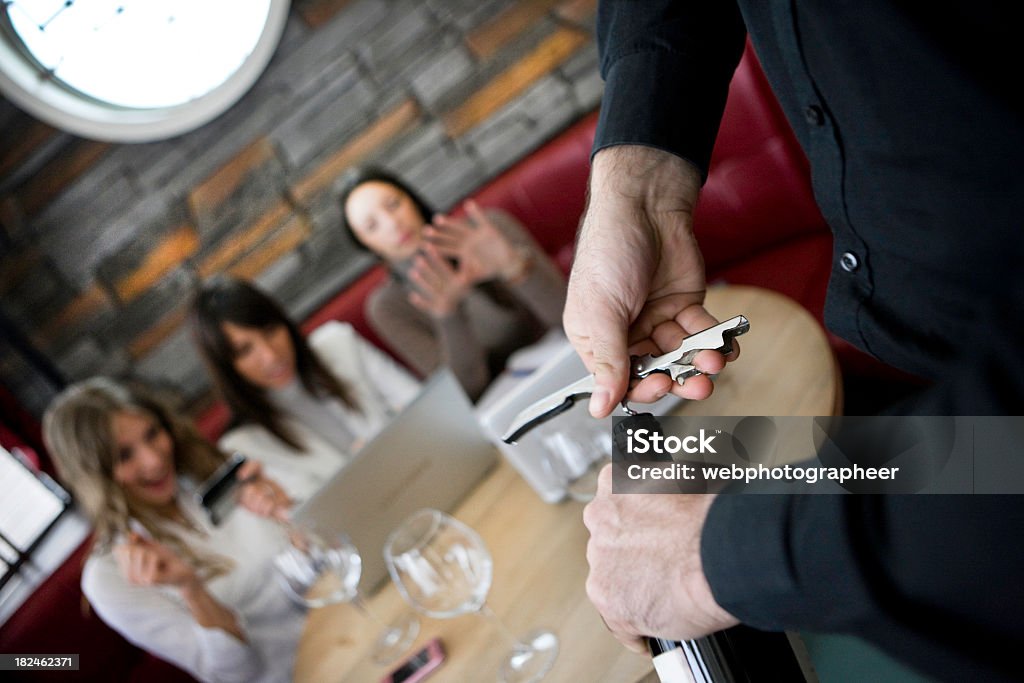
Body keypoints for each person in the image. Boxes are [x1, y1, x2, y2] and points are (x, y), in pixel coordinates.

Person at [568, 2, 1024, 681]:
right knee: (691, 463)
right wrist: (636, 183)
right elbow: (986, 458)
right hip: (960, 421)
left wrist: (706, 559)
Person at [42, 378, 299, 683]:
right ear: (95, 475)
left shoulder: (205, 477)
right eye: (124, 456)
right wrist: (192, 590)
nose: (154, 459)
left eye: (152, 434)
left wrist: (288, 514)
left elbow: (317, 570)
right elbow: (237, 675)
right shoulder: (109, 578)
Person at [339, 166, 567, 400]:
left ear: (412, 200)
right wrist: (448, 315)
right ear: (367, 245)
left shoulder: (488, 230)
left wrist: (514, 268)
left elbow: (570, 319)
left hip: (567, 363)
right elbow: (465, 393)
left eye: (393, 204)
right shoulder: (388, 305)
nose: (392, 223)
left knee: (608, 428)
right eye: (371, 226)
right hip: (509, 404)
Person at [189, 276, 420, 502]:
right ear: (227, 368)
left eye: (270, 332)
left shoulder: (339, 343)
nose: (270, 355)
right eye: (246, 351)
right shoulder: (244, 445)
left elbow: (424, 404)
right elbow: (316, 516)